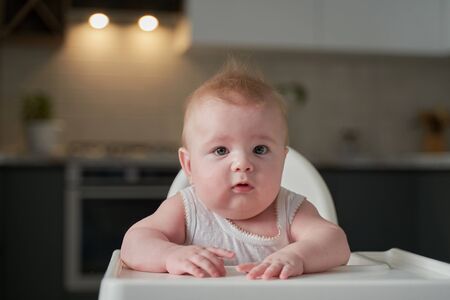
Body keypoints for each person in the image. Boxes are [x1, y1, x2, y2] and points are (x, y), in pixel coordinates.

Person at [121, 62, 351, 280]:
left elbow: (335, 242)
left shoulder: (291, 211)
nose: (242, 163)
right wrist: (170, 255)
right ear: (189, 165)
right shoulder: (186, 210)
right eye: (221, 150)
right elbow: (134, 243)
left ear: (282, 160)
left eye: (260, 149)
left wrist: (297, 256)